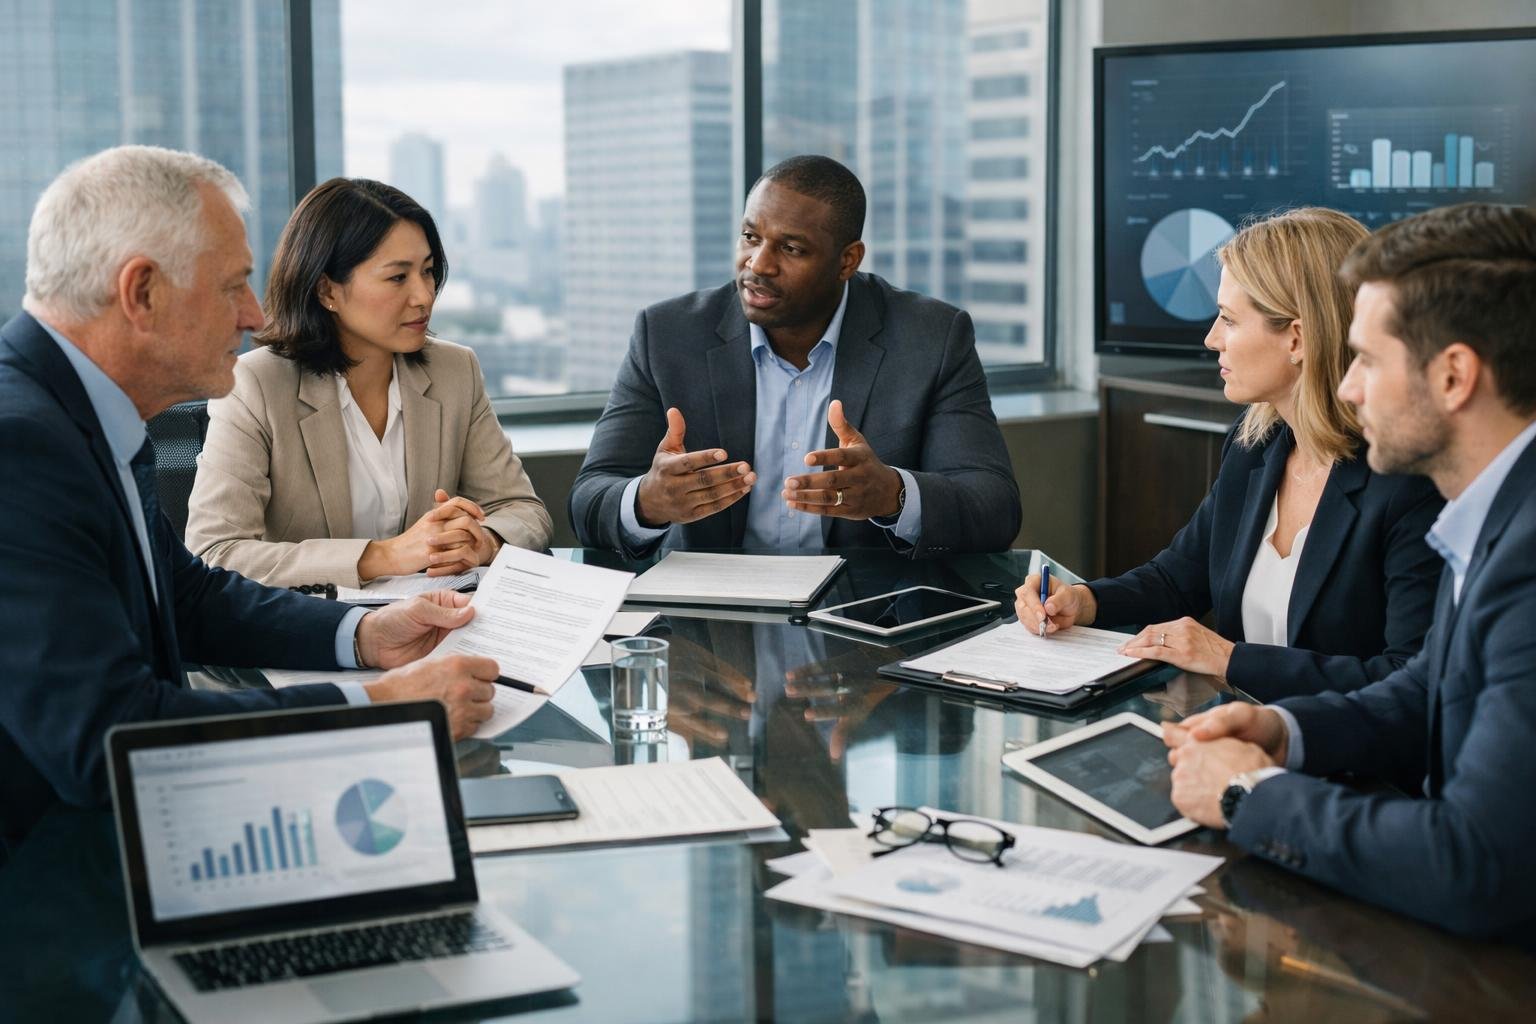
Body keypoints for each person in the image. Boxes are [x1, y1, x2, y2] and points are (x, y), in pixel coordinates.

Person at [0, 146, 499, 853]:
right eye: (233, 284)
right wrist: (383, 705)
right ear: (141, 292)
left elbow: (189, 597)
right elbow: (110, 742)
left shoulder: (89, 416)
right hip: (44, 898)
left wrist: (363, 635)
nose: (254, 313)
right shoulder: (20, 448)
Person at [1163, 202, 1536, 941]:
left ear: (1455, 375)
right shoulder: (1494, 513)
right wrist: (1283, 729)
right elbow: (1427, 688)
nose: (1349, 387)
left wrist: (1248, 793)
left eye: (1366, 359)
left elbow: (1479, 867)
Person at [1017, 208, 1443, 700]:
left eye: (1228, 319)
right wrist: (1085, 600)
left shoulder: (1406, 479)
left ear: (1297, 338)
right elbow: (1177, 579)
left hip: (1342, 759)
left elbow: (1408, 680)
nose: (1211, 339)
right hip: (1238, 739)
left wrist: (1229, 658)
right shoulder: (1255, 443)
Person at [569, 154, 1021, 558]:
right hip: (711, 621)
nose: (758, 264)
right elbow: (590, 498)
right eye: (750, 237)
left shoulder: (931, 338)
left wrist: (894, 495)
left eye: (790, 248)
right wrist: (648, 501)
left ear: (847, 261)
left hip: (864, 616)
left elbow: (994, 508)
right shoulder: (668, 335)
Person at [184, 178, 551, 588]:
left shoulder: (455, 370)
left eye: (428, 272)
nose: (424, 296)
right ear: (327, 291)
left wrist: (484, 541)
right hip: (314, 637)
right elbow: (215, 553)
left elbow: (523, 510)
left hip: (439, 624)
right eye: (398, 278)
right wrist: (384, 555)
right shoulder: (256, 385)